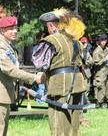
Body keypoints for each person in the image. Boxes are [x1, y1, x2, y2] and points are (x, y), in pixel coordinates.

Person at [0, 16, 47, 136]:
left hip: (2, 94)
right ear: (2, 30)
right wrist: (34, 78)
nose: (15, 31)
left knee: (2, 131)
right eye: (11, 29)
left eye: (15, 28)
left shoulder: (5, 44)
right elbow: (11, 70)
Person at [32, 8, 86, 136]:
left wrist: (44, 73)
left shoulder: (52, 40)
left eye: (47, 27)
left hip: (60, 85)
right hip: (77, 84)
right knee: (73, 124)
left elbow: (39, 63)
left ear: (51, 25)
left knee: (58, 124)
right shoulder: (76, 42)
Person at [93, 34, 108, 108]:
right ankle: (100, 103)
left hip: (107, 71)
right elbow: (96, 62)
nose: (104, 42)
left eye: (105, 40)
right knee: (101, 88)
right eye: (102, 40)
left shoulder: (107, 49)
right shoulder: (97, 51)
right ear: (99, 41)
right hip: (100, 72)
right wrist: (106, 59)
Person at [80, 37, 94, 104]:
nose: (84, 44)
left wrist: (86, 63)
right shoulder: (78, 51)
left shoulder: (87, 52)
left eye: (85, 43)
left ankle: (86, 99)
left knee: (87, 87)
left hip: (86, 72)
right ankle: (81, 100)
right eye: (83, 43)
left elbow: (91, 61)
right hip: (79, 72)